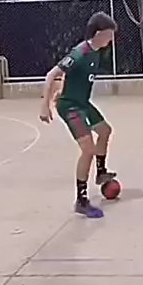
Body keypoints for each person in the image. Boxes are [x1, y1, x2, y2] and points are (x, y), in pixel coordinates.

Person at [39, 12, 117, 218]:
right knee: (88, 149)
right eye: (109, 34)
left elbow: (69, 76)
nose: (111, 39)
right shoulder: (79, 53)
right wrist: (45, 106)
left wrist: (64, 86)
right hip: (70, 106)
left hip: (82, 103)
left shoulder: (96, 52)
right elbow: (51, 74)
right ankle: (81, 200)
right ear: (98, 33)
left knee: (105, 131)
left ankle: (101, 172)